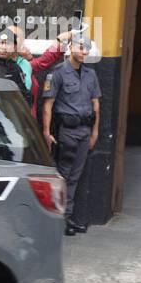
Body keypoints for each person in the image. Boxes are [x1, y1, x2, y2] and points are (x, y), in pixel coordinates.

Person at [42, 33, 101, 235]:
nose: (84, 51)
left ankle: (68, 216)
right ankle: (58, 219)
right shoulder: (57, 73)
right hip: (66, 130)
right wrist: (46, 132)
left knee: (75, 176)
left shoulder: (90, 74)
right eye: (81, 47)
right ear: (71, 47)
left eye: (87, 48)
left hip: (85, 130)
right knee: (63, 174)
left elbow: (96, 105)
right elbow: (48, 105)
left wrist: (95, 131)